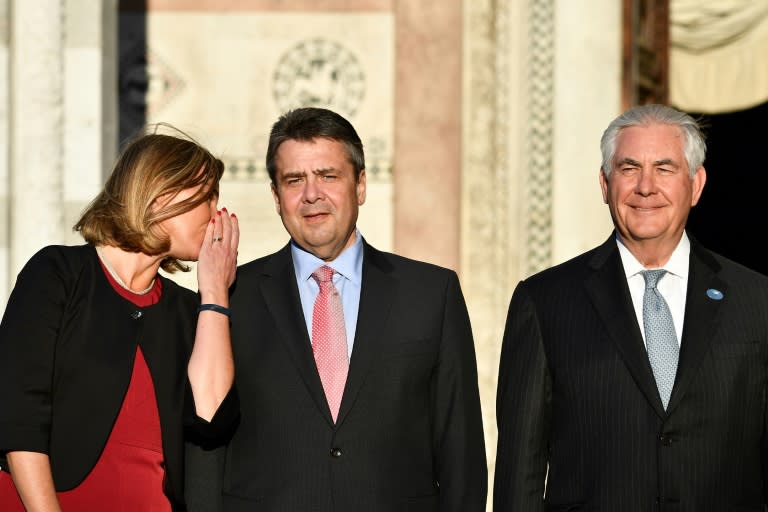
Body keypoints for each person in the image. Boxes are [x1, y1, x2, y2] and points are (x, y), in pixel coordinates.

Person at [186, 107, 487, 512]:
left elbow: (461, 450)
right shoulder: (229, 296)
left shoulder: (432, 294)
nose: (312, 194)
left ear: (360, 185)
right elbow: (207, 449)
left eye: (328, 175)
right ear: (276, 197)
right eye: (294, 180)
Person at [493, 103, 768, 511]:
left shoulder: (756, 299)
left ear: (696, 184)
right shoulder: (544, 303)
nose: (645, 186)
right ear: (605, 184)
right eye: (628, 168)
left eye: (665, 168)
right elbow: (520, 473)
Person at [0, 126, 240, 511]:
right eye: (207, 198)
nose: (216, 215)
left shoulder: (186, 310)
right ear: (160, 194)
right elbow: (18, 418)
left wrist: (213, 295)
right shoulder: (59, 274)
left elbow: (210, 417)